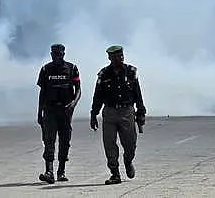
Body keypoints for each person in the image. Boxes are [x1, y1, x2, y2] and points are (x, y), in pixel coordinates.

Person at [91, 45, 147, 185]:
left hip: (127, 112)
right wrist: (93, 114)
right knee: (109, 144)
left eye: (121, 55)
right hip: (109, 112)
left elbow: (138, 94)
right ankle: (115, 173)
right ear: (110, 58)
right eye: (116, 56)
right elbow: (97, 96)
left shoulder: (131, 72)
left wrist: (141, 112)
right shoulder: (103, 75)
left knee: (130, 143)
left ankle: (128, 161)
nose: (120, 58)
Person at [36, 43, 81, 184]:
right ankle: (49, 172)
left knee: (65, 141)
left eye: (60, 54)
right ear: (51, 54)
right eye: (55, 54)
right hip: (49, 110)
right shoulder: (45, 69)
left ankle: (61, 172)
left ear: (64, 54)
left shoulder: (72, 68)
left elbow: (78, 90)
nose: (57, 56)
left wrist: (73, 104)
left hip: (65, 110)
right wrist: (39, 112)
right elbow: (42, 92)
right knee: (49, 141)